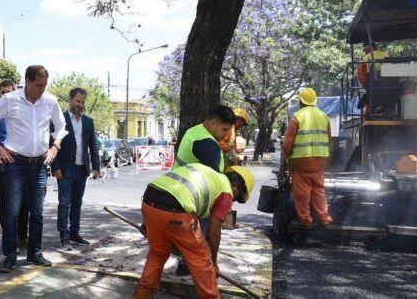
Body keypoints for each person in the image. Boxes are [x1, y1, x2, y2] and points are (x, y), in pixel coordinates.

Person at [0, 65, 68, 273]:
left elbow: (61, 127)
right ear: (27, 82)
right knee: (12, 211)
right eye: (38, 85)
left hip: (39, 164)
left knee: (37, 212)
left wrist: (55, 146)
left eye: (45, 85)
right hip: (15, 164)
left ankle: (34, 253)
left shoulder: (50, 101)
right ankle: (10, 256)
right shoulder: (10, 100)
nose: (42, 89)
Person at [134, 162, 254, 298]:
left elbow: (166, 190)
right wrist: (213, 262)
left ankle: (142, 295)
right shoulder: (226, 192)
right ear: (236, 186)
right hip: (177, 211)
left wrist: (148, 223)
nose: (233, 202)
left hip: (149, 201)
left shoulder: (206, 172)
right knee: (202, 260)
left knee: (157, 254)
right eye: (237, 197)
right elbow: (213, 234)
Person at [173, 105, 235, 275]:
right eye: (224, 129)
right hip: (189, 195)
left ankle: (188, 262)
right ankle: (198, 266)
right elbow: (214, 181)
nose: (226, 134)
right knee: (205, 230)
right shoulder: (206, 143)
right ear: (213, 123)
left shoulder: (196, 131)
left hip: (180, 189)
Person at [0, 80, 31, 249]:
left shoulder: (22, 108)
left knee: (24, 201)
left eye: (8, 92)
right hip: (1, 163)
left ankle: (22, 236)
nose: (5, 95)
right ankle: (10, 241)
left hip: (23, 161)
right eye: (2, 92)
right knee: (7, 204)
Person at [52, 87, 101, 251]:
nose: (80, 105)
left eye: (82, 102)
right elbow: (53, 145)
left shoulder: (88, 121)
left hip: (81, 169)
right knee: (64, 204)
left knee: (77, 204)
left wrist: (96, 167)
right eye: (77, 101)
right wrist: (55, 166)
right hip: (65, 169)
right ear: (71, 101)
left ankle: (74, 233)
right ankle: (63, 237)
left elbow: (93, 145)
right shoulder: (61, 120)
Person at [280, 88, 333, 229]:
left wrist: (285, 159)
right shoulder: (324, 116)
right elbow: (329, 139)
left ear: (300, 101)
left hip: (300, 161)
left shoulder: (297, 116)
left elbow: (288, 142)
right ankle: (324, 217)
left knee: (302, 191)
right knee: (319, 189)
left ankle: (305, 221)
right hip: (320, 159)